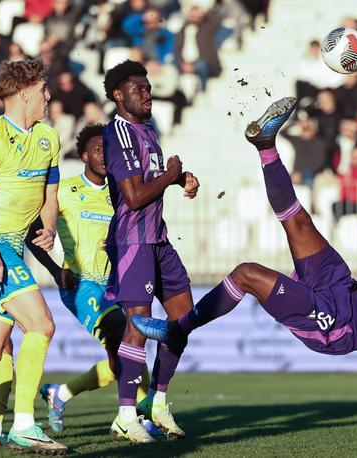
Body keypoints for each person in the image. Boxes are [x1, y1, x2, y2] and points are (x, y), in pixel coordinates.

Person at [132, 97, 357, 444]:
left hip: (342, 325)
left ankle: (179, 329)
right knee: (297, 220)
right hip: (345, 287)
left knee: (246, 273)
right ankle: (266, 145)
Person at [23, 125, 154, 434]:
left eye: (108, 150)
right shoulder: (64, 192)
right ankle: (144, 415)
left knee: (124, 356)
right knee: (124, 336)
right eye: (97, 150)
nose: (104, 156)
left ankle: (61, 393)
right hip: (80, 283)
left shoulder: (120, 196)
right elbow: (32, 236)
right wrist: (56, 271)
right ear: (83, 155)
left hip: (114, 285)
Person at [101, 60, 200, 443]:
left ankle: (157, 402)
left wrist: (180, 180)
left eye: (148, 86)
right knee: (140, 325)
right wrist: (169, 177)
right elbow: (135, 195)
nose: (147, 92)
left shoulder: (147, 133)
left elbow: (154, 182)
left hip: (158, 240)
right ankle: (126, 414)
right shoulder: (119, 133)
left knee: (182, 319)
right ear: (117, 95)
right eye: (137, 88)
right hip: (133, 242)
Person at [0, 58, 66, 453]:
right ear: (24, 93)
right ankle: (24, 425)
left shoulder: (48, 138)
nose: (49, 95)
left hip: (11, 250)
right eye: (43, 89)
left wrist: (49, 227)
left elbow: (49, 195)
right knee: (41, 324)